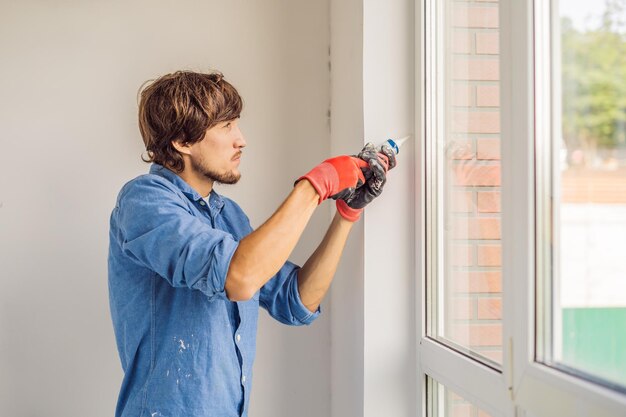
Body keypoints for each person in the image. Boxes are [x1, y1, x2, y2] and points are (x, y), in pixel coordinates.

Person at [107, 70, 396, 417]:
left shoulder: (229, 217)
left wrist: (346, 213)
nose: (241, 139)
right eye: (226, 126)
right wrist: (315, 185)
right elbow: (239, 277)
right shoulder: (144, 202)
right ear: (182, 141)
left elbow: (296, 299)